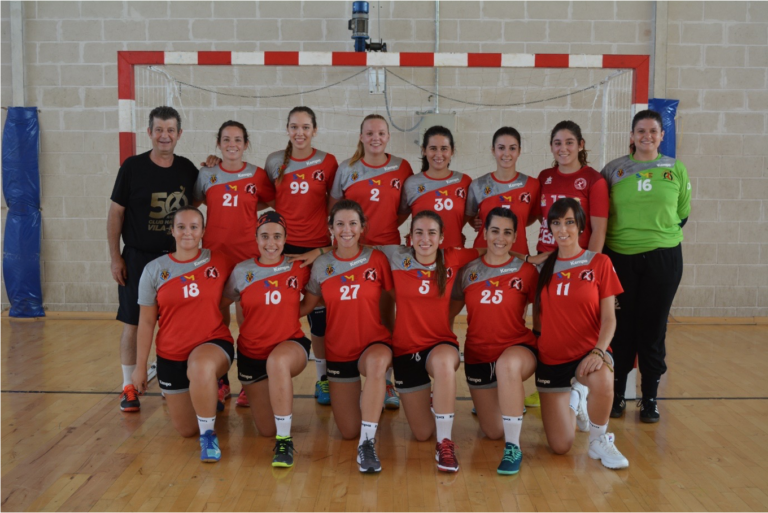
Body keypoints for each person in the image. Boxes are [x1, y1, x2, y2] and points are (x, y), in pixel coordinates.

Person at [601, 109, 691, 423]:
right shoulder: (613, 170)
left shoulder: (675, 168)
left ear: (662, 136)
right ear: (631, 135)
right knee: (621, 329)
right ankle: (615, 396)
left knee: (652, 329)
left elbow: (682, 213)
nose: (647, 136)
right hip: (619, 258)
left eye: (653, 131)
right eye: (641, 131)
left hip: (663, 259)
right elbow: (601, 214)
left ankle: (649, 399)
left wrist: (655, 236)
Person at [108, 106, 198, 413]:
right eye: (159, 129)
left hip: (177, 260)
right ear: (149, 133)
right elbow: (115, 214)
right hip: (137, 259)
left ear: (179, 134)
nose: (164, 135)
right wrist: (114, 257)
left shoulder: (187, 169)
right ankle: (129, 386)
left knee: (179, 324)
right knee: (133, 323)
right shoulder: (132, 167)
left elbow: (197, 206)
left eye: (170, 130)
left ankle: (172, 379)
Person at [132, 206, 235, 463]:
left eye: (193, 227)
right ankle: (207, 399)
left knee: (200, 367)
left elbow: (243, 284)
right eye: (181, 227)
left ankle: (209, 435)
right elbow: (146, 322)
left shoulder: (219, 260)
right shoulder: (154, 270)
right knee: (186, 430)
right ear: (172, 230)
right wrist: (140, 367)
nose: (187, 232)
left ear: (202, 231)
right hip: (171, 353)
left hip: (213, 342)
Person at [533, 198, 628, 470]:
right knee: (561, 446)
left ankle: (599, 441)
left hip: (588, 353)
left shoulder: (599, 262)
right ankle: (575, 397)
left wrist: (599, 351)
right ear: (549, 227)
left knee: (603, 379)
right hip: (551, 360)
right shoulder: (541, 267)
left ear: (581, 226)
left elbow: (610, 318)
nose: (563, 229)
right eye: (556, 222)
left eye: (569, 222)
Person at [382, 211, 480, 472]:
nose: (425, 239)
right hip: (405, 350)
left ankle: (445, 444)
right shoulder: (395, 257)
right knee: (422, 432)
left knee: (445, 365)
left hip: (440, 343)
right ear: (410, 237)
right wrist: (318, 252)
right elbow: (357, 245)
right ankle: (432, 404)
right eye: (419, 233)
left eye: (432, 233)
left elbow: (491, 249)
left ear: (441, 238)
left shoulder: (453, 257)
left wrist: (528, 259)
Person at [301, 200, 395, 473]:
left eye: (353, 223)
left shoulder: (377, 259)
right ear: (331, 228)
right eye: (340, 224)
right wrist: (270, 311)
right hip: (339, 351)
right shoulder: (322, 264)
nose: (346, 229)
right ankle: (364, 421)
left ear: (362, 228)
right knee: (348, 430)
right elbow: (307, 305)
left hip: (374, 344)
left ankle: (368, 444)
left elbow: (399, 298)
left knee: (377, 365)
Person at [329, 113, 414, 409]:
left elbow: (404, 208)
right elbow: (336, 209)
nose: (375, 138)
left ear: (388, 136)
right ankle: (345, 373)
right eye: (369, 133)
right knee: (352, 310)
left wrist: (384, 226)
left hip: (388, 247)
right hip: (353, 248)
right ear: (361, 136)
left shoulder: (402, 167)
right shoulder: (347, 168)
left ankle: (386, 380)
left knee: (386, 311)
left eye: (380, 133)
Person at [525, 120, 610, 409]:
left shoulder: (594, 180)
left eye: (569, 142)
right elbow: (532, 215)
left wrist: (589, 267)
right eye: (558, 143)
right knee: (544, 321)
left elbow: (598, 229)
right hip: (547, 259)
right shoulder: (545, 176)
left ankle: (582, 386)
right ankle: (548, 382)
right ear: (551, 147)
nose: (563, 148)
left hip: (577, 262)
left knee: (579, 323)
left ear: (581, 145)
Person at [450, 207, 538, 475]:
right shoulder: (468, 271)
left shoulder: (526, 271)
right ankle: (509, 403)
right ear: (484, 233)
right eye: (495, 231)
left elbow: (550, 313)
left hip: (517, 350)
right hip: (478, 355)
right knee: (493, 431)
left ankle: (514, 447)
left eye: (507, 232)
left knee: (507, 366)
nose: (501, 238)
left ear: (515, 238)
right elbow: (447, 315)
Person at [220, 211, 310, 468]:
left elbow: (318, 293)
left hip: (289, 345)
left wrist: (317, 252)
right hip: (251, 353)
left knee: (278, 362)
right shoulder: (242, 271)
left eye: (277, 237)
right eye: (265, 236)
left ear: (286, 239)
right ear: (256, 238)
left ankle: (284, 441)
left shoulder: (299, 266)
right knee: (265, 429)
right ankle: (276, 430)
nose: (271, 243)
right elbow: (220, 302)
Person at [195, 120, 274, 408]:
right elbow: (196, 200)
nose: (232, 144)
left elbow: (267, 199)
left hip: (247, 256)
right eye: (226, 139)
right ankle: (220, 379)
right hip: (215, 256)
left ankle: (248, 380)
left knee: (248, 322)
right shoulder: (207, 173)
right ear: (218, 143)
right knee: (217, 320)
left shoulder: (257, 174)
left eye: (238, 139)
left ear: (246, 144)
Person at [263, 106, 339, 407]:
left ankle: (322, 377)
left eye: (306, 127)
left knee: (318, 318)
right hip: (281, 250)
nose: (300, 132)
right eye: (294, 126)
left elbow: (335, 206)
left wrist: (323, 250)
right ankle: (260, 374)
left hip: (316, 250)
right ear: (287, 129)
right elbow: (269, 201)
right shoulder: (273, 162)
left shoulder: (328, 161)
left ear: (315, 130)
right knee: (274, 313)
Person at [465, 127, 541, 255]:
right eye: (501, 148)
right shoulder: (478, 184)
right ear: (493, 150)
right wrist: (478, 222)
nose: (506, 153)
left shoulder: (532, 185)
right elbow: (470, 217)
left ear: (519, 151)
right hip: (484, 255)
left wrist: (518, 223)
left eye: (512, 148)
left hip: (518, 256)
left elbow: (532, 216)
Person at [399, 126, 472, 248]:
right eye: (433, 148)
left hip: (453, 253)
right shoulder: (411, 183)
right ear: (424, 150)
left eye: (444, 149)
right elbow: (397, 217)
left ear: (452, 151)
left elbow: (470, 216)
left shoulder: (464, 182)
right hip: (421, 254)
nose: (439, 154)